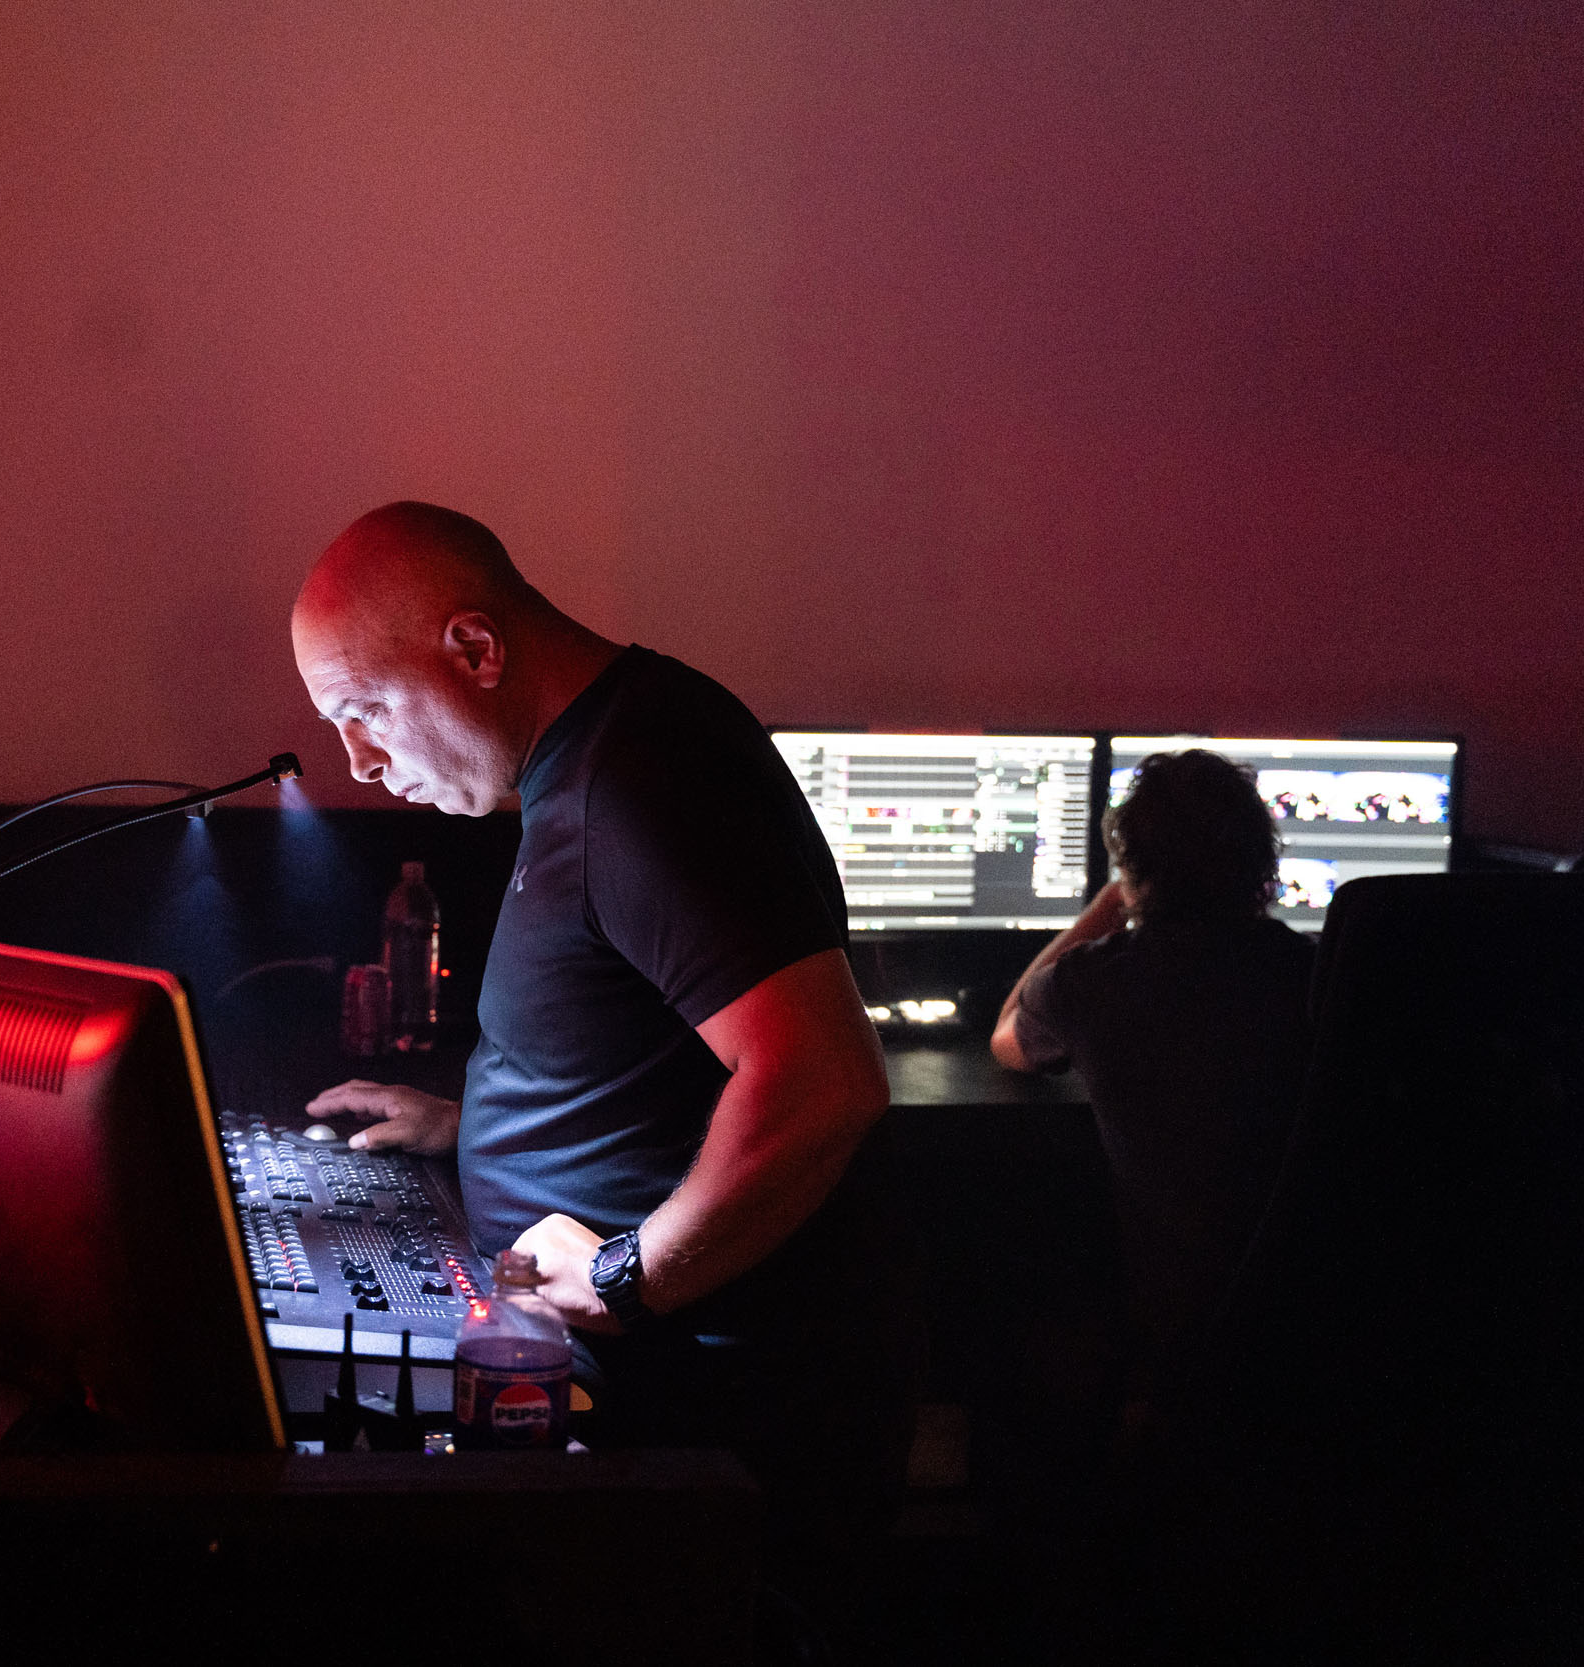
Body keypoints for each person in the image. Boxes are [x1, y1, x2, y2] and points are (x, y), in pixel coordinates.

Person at [289, 501, 918, 1633]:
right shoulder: (595, 757)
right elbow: (647, 1040)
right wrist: (471, 1120)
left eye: (365, 711)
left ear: (475, 649)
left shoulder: (645, 775)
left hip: (713, 1425)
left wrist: (631, 1275)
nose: (361, 761)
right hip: (655, 1390)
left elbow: (824, 1078)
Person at [990, 749, 1315, 1420]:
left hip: (1173, 1316)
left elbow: (1007, 1039)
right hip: (1312, 1311)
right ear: (1262, 863)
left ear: (1133, 867)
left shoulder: (1088, 981)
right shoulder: (1319, 971)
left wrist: (1109, 905)